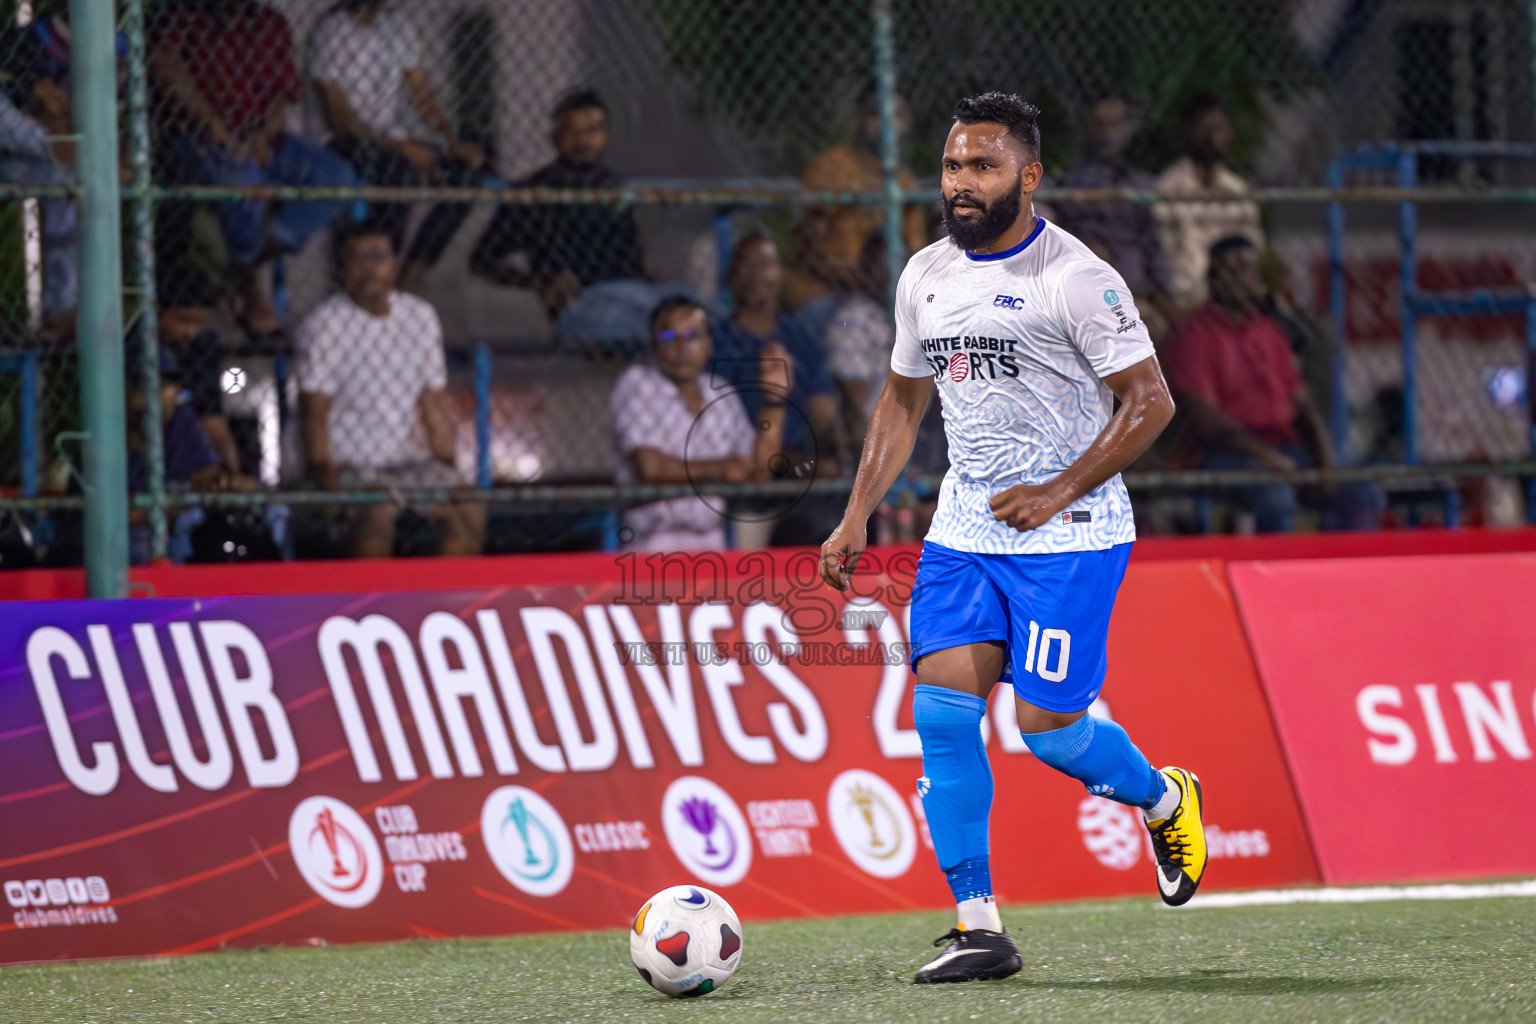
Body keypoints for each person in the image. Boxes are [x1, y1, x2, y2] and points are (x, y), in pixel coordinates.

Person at [818, 93, 1207, 984]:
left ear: (1027, 176)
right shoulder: (924, 275)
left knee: (1047, 728)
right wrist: (855, 513)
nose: (961, 182)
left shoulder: (1076, 277)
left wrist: (1059, 487)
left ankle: (1161, 797)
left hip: (1071, 533)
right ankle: (978, 924)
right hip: (963, 531)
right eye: (953, 165)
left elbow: (1151, 403)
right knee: (942, 711)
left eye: (982, 166)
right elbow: (902, 400)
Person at [150, 0, 360, 337]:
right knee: (243, 178)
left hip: (261, 136)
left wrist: (266, 132)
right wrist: (212, 123)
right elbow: (164, 64)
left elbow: (284, 89)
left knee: (337, 179)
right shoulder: (185, 18)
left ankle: (245, 266)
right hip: (199, 136)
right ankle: (250, 286)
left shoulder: (270, 24)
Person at [1165, 236, 1382, 532]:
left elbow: (1303, 409)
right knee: (1276, 496)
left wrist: (1324, 462)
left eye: (1249, 270)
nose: (1243, 278)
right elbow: (1210, 424)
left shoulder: (1270, 333)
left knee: (1361, 493)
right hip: (1227, 455)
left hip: (1284, 448)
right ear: (1212, 278)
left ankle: (1343, 574)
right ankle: (1275, 576)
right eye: (1233, 269)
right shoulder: (1195, 336)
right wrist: (1268, 459)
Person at [296, 220, 485, 558]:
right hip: (348, 463)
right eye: (359, 259)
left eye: (378, 257)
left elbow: (432, 403)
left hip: (404, 462)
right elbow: (314, 413)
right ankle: (370, 604)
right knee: (379, 508)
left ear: (395, 265)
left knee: (468, 504)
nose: (371, 269)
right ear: (344, 268)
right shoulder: (324, 324)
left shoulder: (419, 316)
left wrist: (448, 469)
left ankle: (447, 604)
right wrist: (326, 482)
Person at [308, 0, 491, 293]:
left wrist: (449, 142)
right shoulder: (332, 29)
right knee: (396, 167)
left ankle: (409, 274)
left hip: (394, 141)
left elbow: (422, 94)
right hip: (343, 142)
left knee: (467, 174)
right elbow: (341, 117)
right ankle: (371, 275)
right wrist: (402, 147)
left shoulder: (398, 24)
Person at [610, 297, 789, 552]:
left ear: (709, 345)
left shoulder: (719, 393)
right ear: (653, 345)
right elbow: (651, 467)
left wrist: (774, 401)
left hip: (711, 543)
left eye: (693, 336)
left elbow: (759, 469)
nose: (682, 348)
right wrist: (721, 470)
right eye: (670, 337)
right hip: (652, 544)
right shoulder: (638, 384)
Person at [470, 89, 644, 318]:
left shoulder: (614, 187)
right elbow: (484, 260)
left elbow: (632, 258)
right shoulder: (533, 192)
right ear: (555, 136)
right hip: (576, 307)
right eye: (573, 132)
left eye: (593, 131)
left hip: (627, 297)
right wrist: (539, 283)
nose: (584, 141)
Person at [785, 90, 929, 311]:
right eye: (876, 116)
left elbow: (914, 248)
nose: (885, 125)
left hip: (882, 297)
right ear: (860, 120)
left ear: (906, 124)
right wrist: (859, 279)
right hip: (824, 293)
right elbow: (809, 245)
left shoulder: (904, 182)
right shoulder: (829, 168)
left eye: (895, 117)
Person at [1054, 95, 1171, 339]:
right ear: (1088, 129)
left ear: (1127, 128)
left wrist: (1161, 291)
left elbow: (1152, 241)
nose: (1108, 134)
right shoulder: (1071, 184)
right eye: (1100, 125)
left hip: (1138, 288)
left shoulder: (1140, 184)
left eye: (1115, 124)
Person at [0, 18, 79, 337]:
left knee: (61, 180)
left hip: (17, 155)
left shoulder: (28, 43)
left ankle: (60, 307)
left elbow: (67, 147)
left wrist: (58, 122)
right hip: (24, 137)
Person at [1154, 93, 1264, 314]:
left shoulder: (1238, 190)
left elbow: (1253, 248)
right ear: (1189, 133)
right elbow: (1162, 255)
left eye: (1220, 128)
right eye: (1205, 128)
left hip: (1235, 298)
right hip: (1187, 300)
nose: (1213, 136)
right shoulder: (1168, 189)